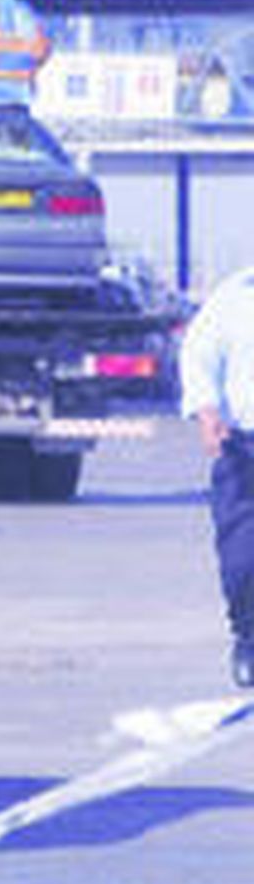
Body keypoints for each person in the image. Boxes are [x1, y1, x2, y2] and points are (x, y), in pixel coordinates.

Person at [180, 266, 254, 687]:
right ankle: (249, 638)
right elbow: (199, 354)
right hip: (244, 449)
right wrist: (207, 410)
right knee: (243, 562)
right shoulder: (237, 296)